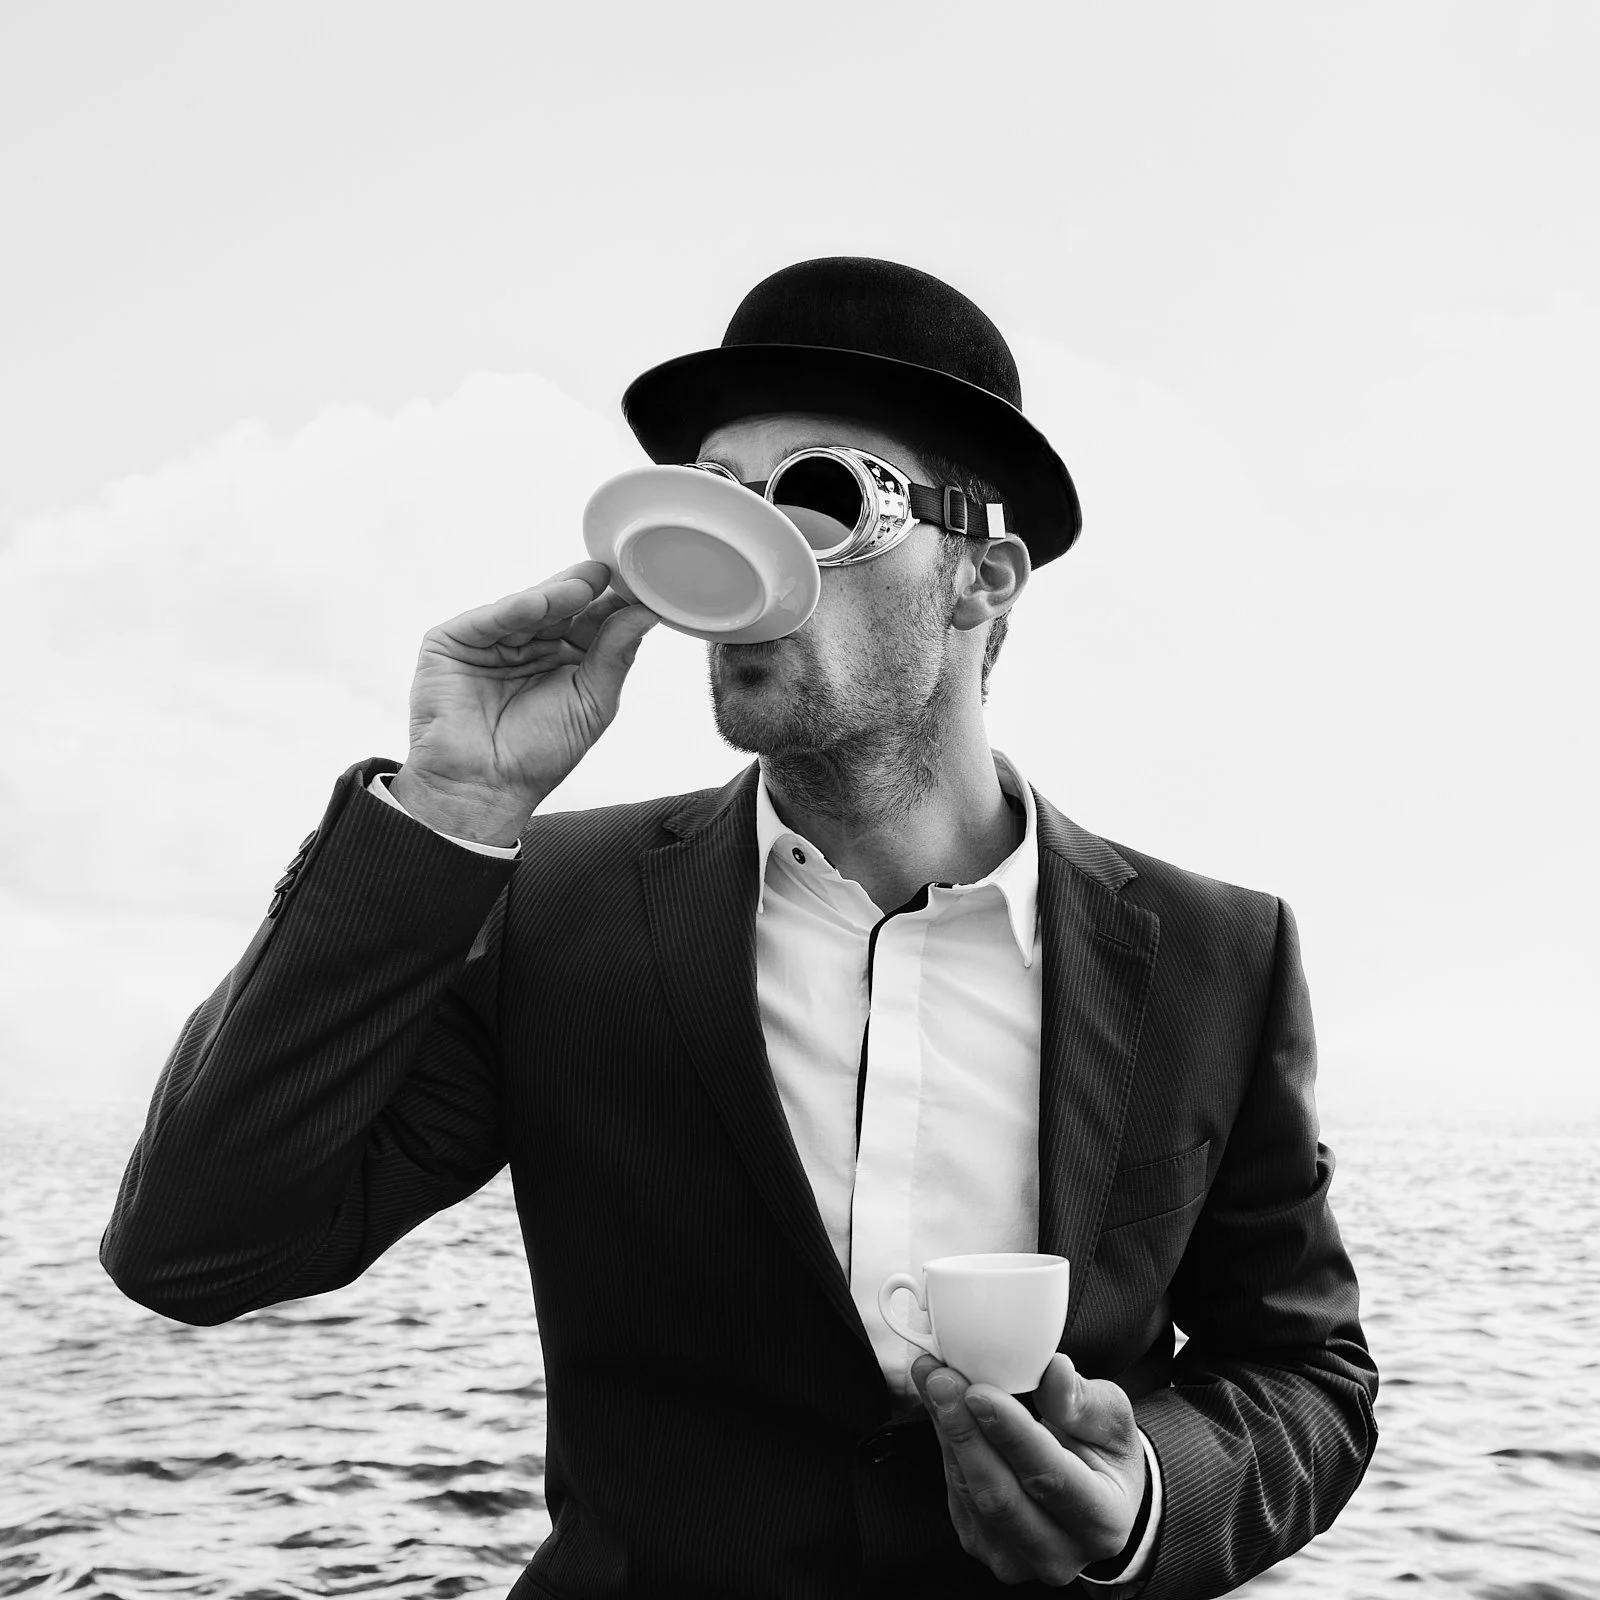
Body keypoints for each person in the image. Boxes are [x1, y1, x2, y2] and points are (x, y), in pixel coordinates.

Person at [101, 256, 1378, 1598]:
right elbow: (198, 1246)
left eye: (821, 500)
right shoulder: (553, 906)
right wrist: (448, 807)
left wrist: (1141, 1505)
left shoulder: (1215, 956)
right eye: (712, 502)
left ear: (981, 580)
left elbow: (1306, 1374)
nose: (747, 558)